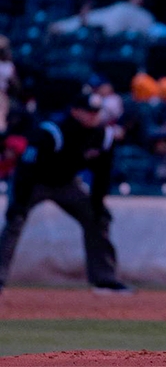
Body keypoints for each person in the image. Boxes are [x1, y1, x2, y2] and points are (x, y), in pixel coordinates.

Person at [0, 92, 132, 295]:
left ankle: (105, 279)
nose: (93, 116)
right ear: (75, 111)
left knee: (98, 218)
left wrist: (97, 204)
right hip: (35, 182)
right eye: (88, 111)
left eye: (96, 112)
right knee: (15, 221)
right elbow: (27, 169)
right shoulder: (53, 131)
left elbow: (102, 175)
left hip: (67, 183)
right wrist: (19, 201)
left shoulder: (103, 135)